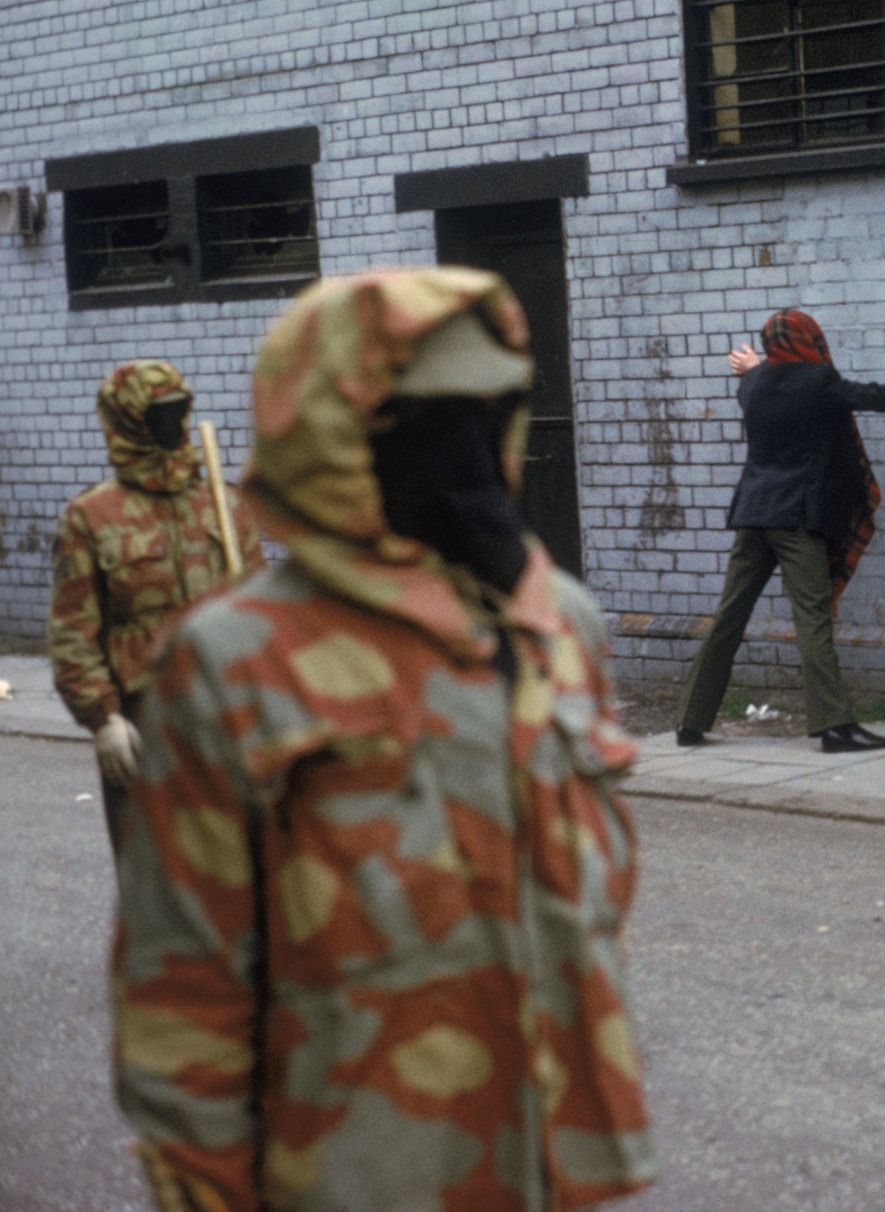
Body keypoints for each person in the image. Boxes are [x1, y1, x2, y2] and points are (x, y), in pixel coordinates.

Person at [112, 268, 656, 1209]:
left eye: (492, 411)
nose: (467, 450)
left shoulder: (557, 623)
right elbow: (185, 988)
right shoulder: (236, 662)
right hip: (358, 1170)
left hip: (555, 1165)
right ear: (332, 431)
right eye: (428, 420)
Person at [676, 309, 885, 754]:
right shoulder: (818, 382)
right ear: (811, 340)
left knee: (729, 616)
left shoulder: (751, 383)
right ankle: (833, 727)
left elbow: (769, 379)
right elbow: (878, 397)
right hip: (797, 518)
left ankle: (690, 720)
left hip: (752, 514)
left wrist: (756, 367)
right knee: (813, 620)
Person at [48, 359, 263, 849]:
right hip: (145, 721)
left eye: (178, 410)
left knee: (246, 866)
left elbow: (261, 608)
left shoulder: (222, 504)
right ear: (126, 421)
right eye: (157, 413)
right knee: (155, 877)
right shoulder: (91, 518)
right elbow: (72, 633)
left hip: (227, 710)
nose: (172, 424)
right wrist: (103, 719)